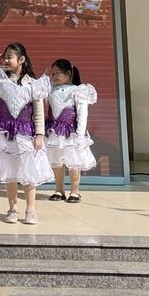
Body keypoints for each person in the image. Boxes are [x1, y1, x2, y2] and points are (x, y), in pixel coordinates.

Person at [0, 42, 53, 225]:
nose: (6, 60)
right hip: (6, 133)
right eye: (5, 57)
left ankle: (30, 209)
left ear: (21, 59)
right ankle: (13, 208)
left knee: (28, 172)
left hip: (25, 133)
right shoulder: (0, 81)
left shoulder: (33, 84)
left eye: (10, 57)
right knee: (10, 172)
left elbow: (38, 112)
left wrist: (39, 134)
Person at [46, 59, 98, 203]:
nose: (53, 76)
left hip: (71, 132)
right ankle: (59, 190)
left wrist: (80, 135)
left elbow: (82, 114)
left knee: (74, 162)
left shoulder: (78, 90)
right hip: (54, 131)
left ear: (68, 73)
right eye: (52, 73)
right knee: (57, 161)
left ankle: (75, 191)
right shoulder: (50, 89)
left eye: (57, 73)